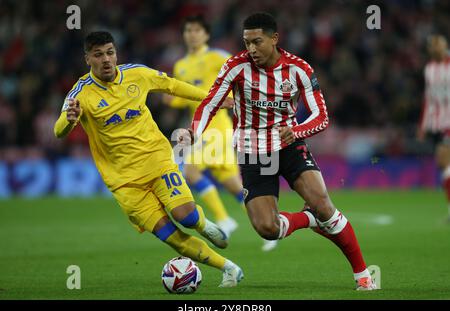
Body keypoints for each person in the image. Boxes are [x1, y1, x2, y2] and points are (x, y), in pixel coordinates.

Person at [182, 12, 377, 290]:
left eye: (257, 42)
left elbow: (321, 116)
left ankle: (363, 275)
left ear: (274, 39)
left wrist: (296, 131)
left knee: (325, 206)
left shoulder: (299, 69)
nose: (251, 49)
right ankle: (309, 219)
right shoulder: (235, 66)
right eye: (246, 42)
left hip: (289, 146)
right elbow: (210, 103)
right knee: (268, 229)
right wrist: (195, 132)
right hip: (252, 152)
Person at [53, 31, 243, 288]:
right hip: (124, 183)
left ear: (116, 53)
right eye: (98, 55)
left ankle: (203, 223)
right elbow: (59, 131)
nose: (106, 59)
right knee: (171, 237)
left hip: (157, 161)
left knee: (185, 217)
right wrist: (70, 118)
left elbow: (173, 86)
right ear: (88, 59)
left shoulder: (137, 74)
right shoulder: (81, 93)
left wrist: (215, 100)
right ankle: (229, 268)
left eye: (110, 52)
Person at [164, 15, 278, 251]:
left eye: (196, 30)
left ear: (206, 35)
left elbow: (242, 74)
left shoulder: (217, 57)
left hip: (216, 126)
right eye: (188, 30)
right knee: (236, 187)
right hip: (202, 127)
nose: (191, 34)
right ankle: (271, 229)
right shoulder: (180, 65)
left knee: (191, 170)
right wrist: (171, 100)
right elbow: (185, 98)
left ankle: (224, 220)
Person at [418, 34, 450, 221]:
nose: (435, 49)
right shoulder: (429, 69)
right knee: (443, 164)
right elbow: (428, 98)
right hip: (437, 123)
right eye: (432, 46)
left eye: (438, 46)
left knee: (444, 161)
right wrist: (422, 125)